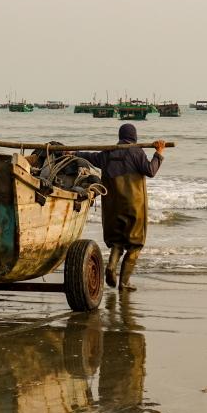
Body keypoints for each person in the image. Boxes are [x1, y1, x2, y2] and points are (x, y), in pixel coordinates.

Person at [73, 124, 165, 291]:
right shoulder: (136, 151)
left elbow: (89, 156)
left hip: (111, 206)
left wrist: (72, 153)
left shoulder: (107, 153)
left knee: (116, 241)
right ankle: (124, 282)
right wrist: (158, 153)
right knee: (135, 243)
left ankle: (111, 265)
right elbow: (150, 171)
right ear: (134, 136)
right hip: (133, 204)